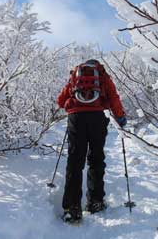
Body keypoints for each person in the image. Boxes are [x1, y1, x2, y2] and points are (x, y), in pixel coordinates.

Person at [56, 59, 126, 223]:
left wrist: (71, 104)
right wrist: (120, 117)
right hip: (97, 118)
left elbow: (60, 101)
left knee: (75, 161)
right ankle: (96, 202)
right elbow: (114, 97)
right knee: (96, 159)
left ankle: (72, 209)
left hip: (76, 118)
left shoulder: (74, 76)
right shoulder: (103, 75)